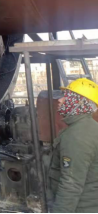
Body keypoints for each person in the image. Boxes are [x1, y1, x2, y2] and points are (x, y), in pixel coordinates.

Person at [49, 78, 98, 213]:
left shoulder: (78, 135)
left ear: (79, 102)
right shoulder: (89, 126)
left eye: (67, 96)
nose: (60, 100)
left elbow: (71, 184)